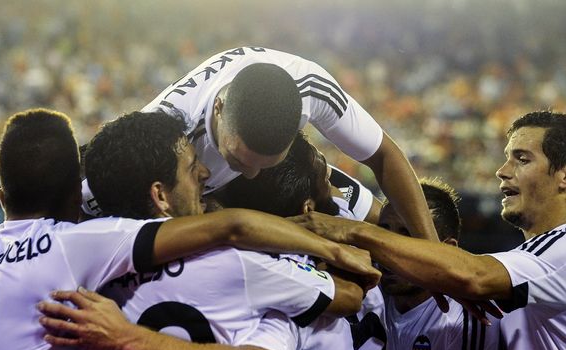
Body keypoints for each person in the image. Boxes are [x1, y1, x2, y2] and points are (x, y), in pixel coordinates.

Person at [0, 108, 377, 350]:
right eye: (191, 168)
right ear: (160, 195)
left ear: (0, 198)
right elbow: (234, 228)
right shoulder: (83, 248)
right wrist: (329, 246)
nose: (206, 172)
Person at [293, 110, 566, 350]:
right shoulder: (534, 259)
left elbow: (473, 276)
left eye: (522, 159)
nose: (502, 171)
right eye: (507, 158)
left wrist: (353, 232)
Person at [138, 46, 437, 242]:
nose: (252, 174)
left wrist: (435, 256)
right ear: (218, 108)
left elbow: (384, 155)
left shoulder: (309, 87)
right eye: (239, 161)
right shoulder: (166, 132)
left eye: (266, 163)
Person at [217, 133, 395, 350]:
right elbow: (349, 295)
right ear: (307, 208)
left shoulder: (341, 209)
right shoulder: (272, 278)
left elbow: (397, 228)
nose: (327, 165)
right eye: (318, 163)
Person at [378, 179, 499, 350]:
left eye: (407, 236)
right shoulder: (369, 298)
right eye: (384, 232)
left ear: (447, 251)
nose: (390, 249)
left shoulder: (468, 316)